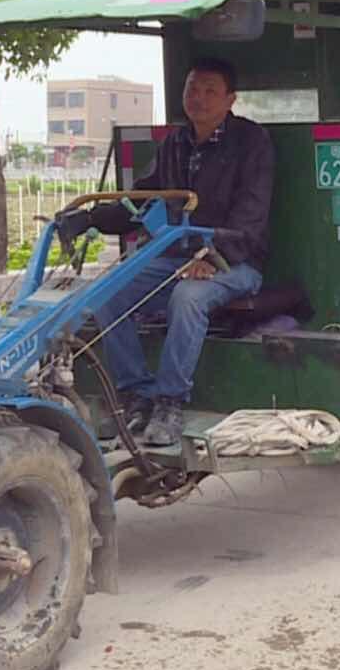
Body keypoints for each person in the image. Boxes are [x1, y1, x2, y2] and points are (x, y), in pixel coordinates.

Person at [57, 58, 274, 445]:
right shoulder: (175, 143)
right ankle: (134, 394)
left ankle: (170, 402)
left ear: (230, 100)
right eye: (193, 89)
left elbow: (252, 214)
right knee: (108, 295)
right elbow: (140, 202)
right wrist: (90, 218)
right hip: (176, 258)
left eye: (210, 91)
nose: (199, 98)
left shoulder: (251, 142)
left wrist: (211, 255)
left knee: (187, 297)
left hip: (235, 262)